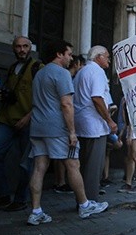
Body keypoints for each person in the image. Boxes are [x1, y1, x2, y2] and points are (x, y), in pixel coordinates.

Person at [27, 39, 109, 225]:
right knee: (73, 165)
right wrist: (72, 132)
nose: (71, 58)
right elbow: (66, 104)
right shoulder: (62, 73)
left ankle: (36, 210)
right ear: (59, 54)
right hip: (57, 128)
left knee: (39, 168)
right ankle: (84, 204)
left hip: (38, 127)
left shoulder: (40, 73)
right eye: (69, 54)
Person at [0, 35, 43, 213]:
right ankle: (1, 196)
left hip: (29, 121)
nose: (21, 50)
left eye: (25, 46)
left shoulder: (38, 68)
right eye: (18, 46)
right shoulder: (11, 68)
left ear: (30, 48)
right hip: (7, 119)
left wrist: (28, 117)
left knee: (26, 163)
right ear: (13, 48)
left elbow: (44, 98)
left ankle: (20, 199)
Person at [73, 45, 118, 201]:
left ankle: (83, 200)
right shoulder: (97, 72)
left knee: (85, 164)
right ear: (99, 57)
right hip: (94, 126)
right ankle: (90, 200)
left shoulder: (82, 71)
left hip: (82, 123)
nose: (109, 60)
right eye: (107, 57)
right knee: (94, 166)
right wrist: (109, 121)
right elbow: (97, 98)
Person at [53, 53, 85, 193]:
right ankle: (82, 200)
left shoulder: (43, 73)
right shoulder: (65, 76)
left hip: (47, 123)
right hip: (63, 122)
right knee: (71, 161)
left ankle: (60, 182)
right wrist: (72, 132)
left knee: (41, 164)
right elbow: (67, 104)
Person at [117, 96, 136, 195]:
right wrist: (123, 131)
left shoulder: (133, 98)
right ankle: (128, 183)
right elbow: (126, 119)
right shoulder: (125, 99)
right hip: (130, 128)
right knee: (130, 157)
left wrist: (130, 134)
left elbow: (134, 116)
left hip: (135, 129)